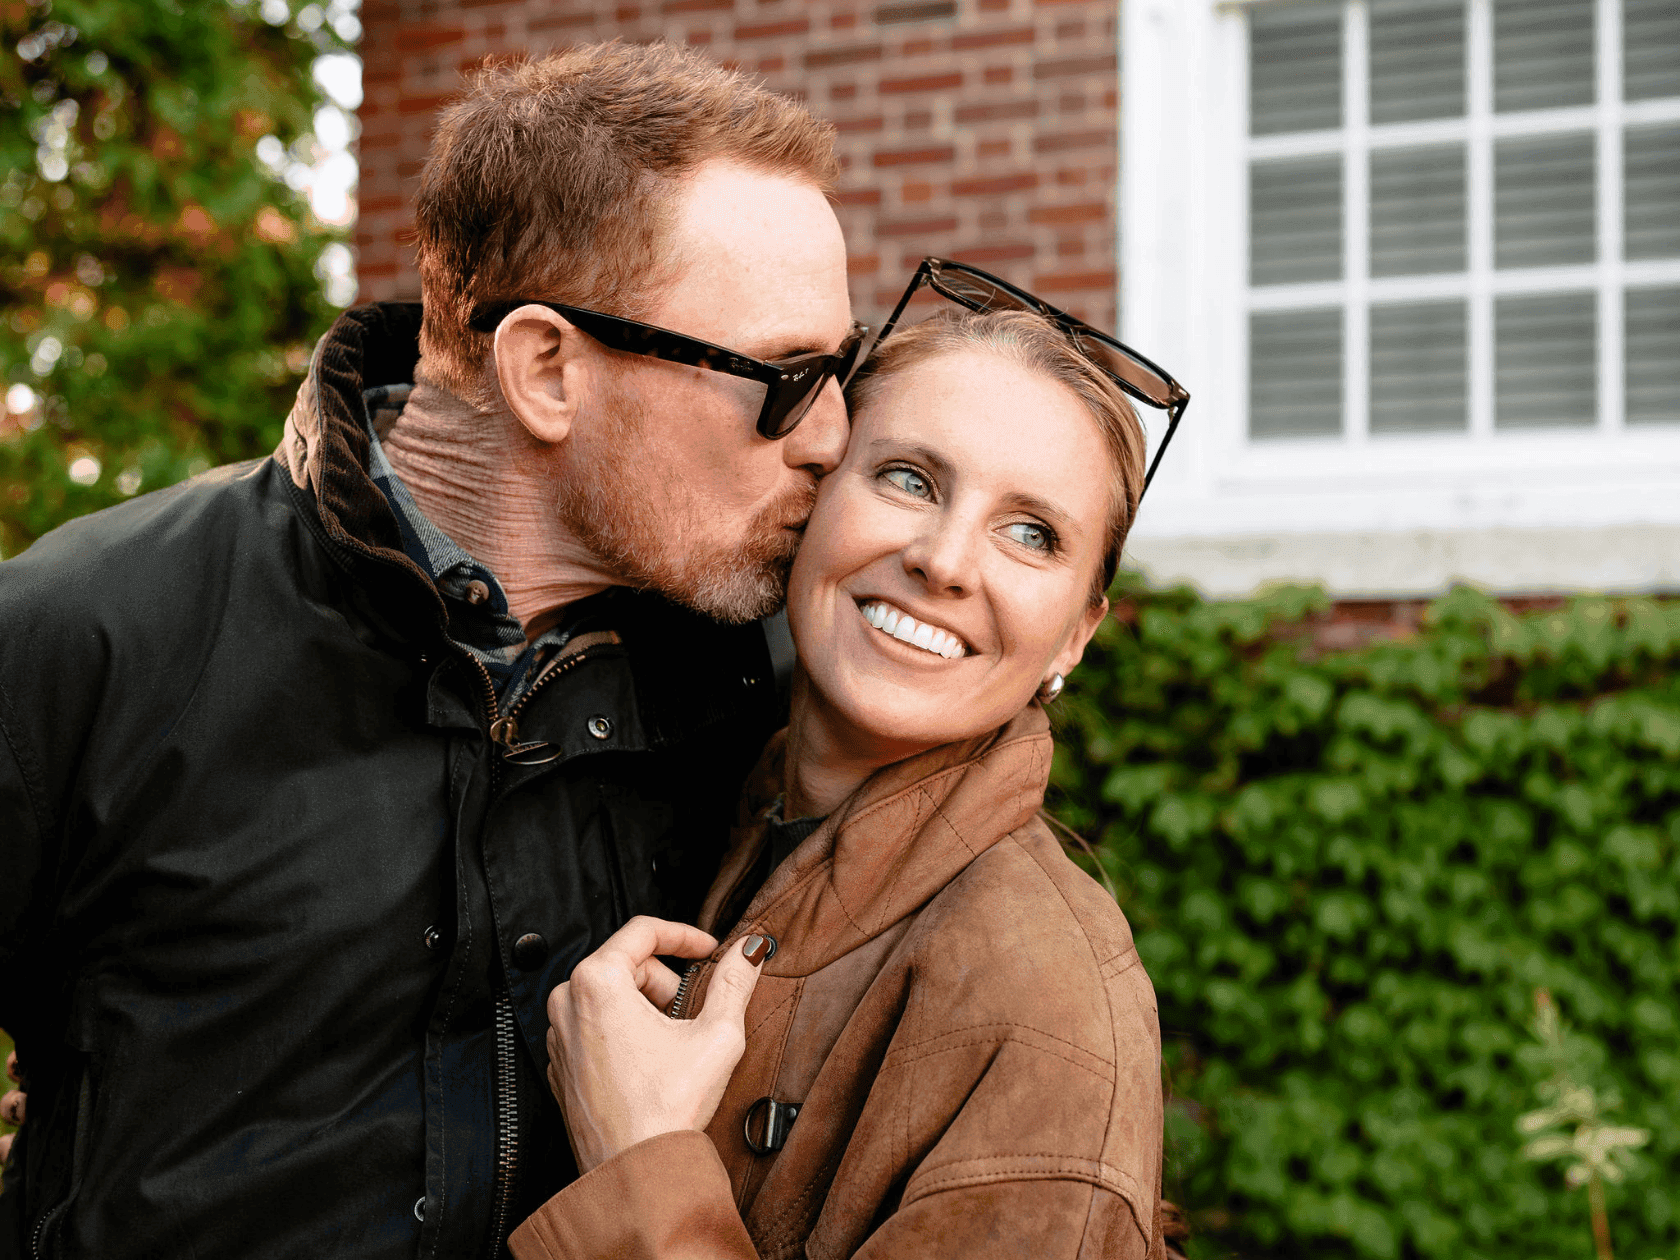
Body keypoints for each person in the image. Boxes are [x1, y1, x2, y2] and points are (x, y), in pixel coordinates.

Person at [0, 43, 861, 1258]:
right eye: (784, 377)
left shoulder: (771, 676)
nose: (833, 436)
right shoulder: (85, 637)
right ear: (546, 370)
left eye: (847, 367)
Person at [509, 304, 1179, 1258]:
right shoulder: (709, 806)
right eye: (909, 479)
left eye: (1032, 534)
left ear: (1076, 633)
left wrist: (640, 1159)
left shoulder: (1050, 1012)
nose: (943, 561)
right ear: (814, 491)